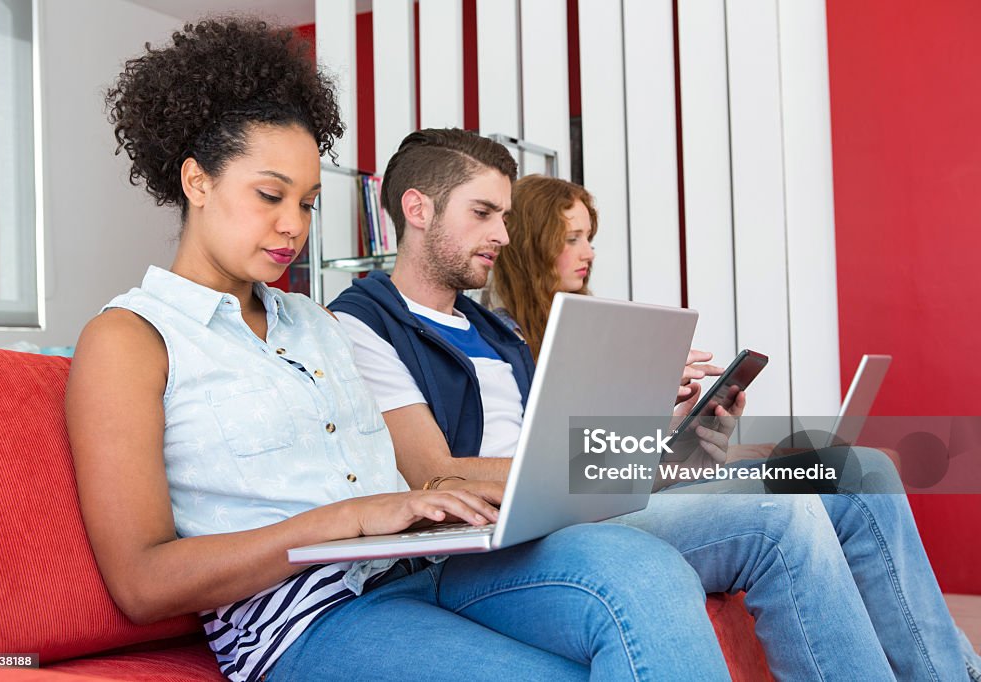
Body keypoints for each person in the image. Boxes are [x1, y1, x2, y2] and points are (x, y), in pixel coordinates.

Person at [64, 18, 736, 682]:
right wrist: (351, 520)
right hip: (305, 620)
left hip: (426, 568)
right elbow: (142, 581)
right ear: (196, 182)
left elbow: (415, 475)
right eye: (270, 196)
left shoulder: (313, 323)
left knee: (644, 568)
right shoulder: (130, 339)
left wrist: (445, 499)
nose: (292, 226)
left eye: (308, 203)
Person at [331, 144, 978, 680]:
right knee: (783, 512)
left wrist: (670, 437)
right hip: (515, 531)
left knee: (857, 475)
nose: (502, 233)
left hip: (576, 498)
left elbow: (566, 450)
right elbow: (434, 473)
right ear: (416, 209)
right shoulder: (364, 322)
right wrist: (603, 462)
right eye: (484, 213)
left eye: (504, 215)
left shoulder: (494, 328)